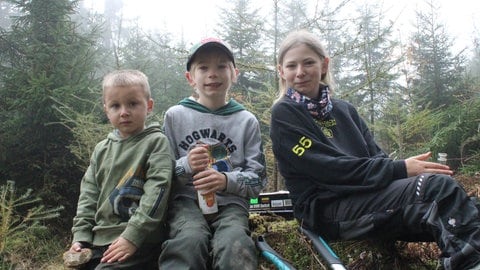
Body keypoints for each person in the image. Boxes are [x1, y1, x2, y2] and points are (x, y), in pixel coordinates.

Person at [269, 29, 480, 270]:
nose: (300, 72)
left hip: (367, 198)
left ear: (324, 65)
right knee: (436, 188)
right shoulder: (284, 114)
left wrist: (403, 174)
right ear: (281, 71)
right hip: (326, 211)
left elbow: (376, 156)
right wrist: (400, 169)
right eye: (291, 65)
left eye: (308, 62)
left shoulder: (344, 110)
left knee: (469, 210)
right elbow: (328, 171)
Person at [159, 37, 267, 270]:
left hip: (232, 206)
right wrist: (186, 164)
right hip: (185, 202)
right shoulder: (175, 116)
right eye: (203, 67)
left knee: (235, 243)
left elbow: (258, 179)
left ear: (234, 73)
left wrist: (225, 180)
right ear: (190, 77)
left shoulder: (246, 121)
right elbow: (159, 173)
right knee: (188, 240)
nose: (213, 74)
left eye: (221, 66)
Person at [66, 69, 173, 269]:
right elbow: (88, 195)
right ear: (106, 110)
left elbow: (157, 192)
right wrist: (81, 237)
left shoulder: (156, 142)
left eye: (133, 103)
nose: (124, 111)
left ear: (149, 106)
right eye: (115, 105)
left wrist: (133, 236)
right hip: (99, 241)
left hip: (140, 242)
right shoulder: (101, 149)